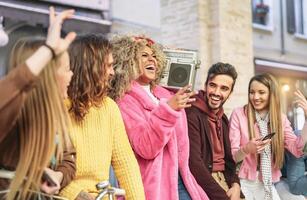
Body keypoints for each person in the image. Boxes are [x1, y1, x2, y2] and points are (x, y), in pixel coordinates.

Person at [109, 35, 209, 200]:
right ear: (128, 61)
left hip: (182, 180)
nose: (152, 59)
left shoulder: (164, 94)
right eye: (144, 55)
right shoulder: (125, 101)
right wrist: (169, 109)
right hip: (155, 187)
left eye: (154, 56)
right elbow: (146, 147)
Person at [0, 7, 76, 200]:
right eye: (67, 69)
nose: (71, 75)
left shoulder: (55, 113)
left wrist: (49, 174)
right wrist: (48, 50)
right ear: (48, 77)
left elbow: (69, 157)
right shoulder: (13, 116)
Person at [59, 34, 145, 200]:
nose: (113, 72)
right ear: (90, 67)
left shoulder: (109, 108)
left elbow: (126, 164)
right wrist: (75, 193)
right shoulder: (59, 107)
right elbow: (45, 167)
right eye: (108, 66)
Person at [229, 73, 307, 200]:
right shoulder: (238, 114)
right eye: (252, 92)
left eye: (261, 92)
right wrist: (247, 149)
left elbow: (297, 150)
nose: (255, 97)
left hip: (266, 182)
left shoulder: (280, 119)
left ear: (272, 94)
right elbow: (233, 157)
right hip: (242, 180)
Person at [185, 62, 242, 200]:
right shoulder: (192, 113)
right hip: (204, 183)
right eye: (213, 85)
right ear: (205, 85)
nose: (216, 92)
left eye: (224, 88)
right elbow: (195, 164)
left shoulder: (223, 119)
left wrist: (236, 184)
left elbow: (229, 160)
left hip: (225, 180)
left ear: (230, 93)